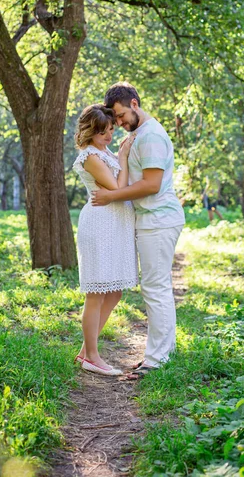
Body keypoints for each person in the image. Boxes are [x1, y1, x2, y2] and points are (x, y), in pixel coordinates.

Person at [92, 82, 185, 379]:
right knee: (157, 288)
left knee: (156, 289)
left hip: (159, 219)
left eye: (120, 115)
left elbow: (151, 184)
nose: (118, 123)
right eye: (115, 119)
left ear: (134, 104)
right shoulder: (138, 135)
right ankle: (161, 354)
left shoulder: (152, 136)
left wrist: (110, 197)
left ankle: (157, 361)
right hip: (150, 219)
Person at [73, 104, 138, 376]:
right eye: (102, 132)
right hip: (100, 224)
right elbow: (117, 188)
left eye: (110, 129)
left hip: (115, 226)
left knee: (114, 291)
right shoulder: (89, 155)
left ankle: (85, 351)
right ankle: (93, 356)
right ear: (90, 131)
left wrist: (118, 154)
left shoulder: (104, 151)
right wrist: (123, 157)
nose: (108, 136)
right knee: (97, 292)